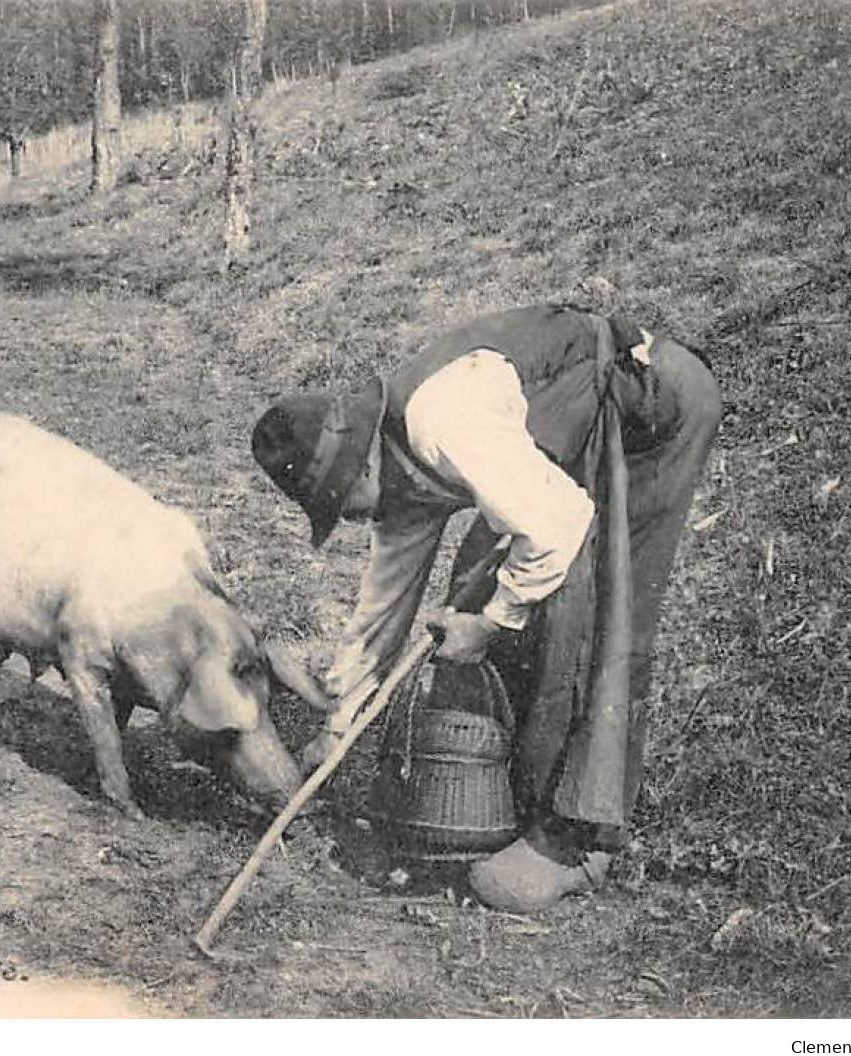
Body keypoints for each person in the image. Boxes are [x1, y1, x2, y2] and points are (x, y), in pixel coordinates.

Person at [251, 304, 721, 913]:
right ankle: (514, 794)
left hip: (650, 413)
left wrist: (492, 623)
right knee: (480, 579)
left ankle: (576, 840)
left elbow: (557, 524)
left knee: (592, 607)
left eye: (340, 501)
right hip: (565, 451)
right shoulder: (394, 469)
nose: (348, 518)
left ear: (362, 462)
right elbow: (384, 604)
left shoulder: (445, 423)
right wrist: (336, 725)